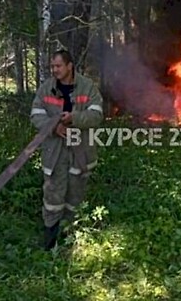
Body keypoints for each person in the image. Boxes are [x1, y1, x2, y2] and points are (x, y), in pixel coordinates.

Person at [29, 49, 104, 250]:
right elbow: (36, 114)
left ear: (69, 66)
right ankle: (50, 244)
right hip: (55, 154)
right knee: (53, 196)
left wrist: (74, 118)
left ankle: (70, 241)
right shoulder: (46, 89)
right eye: (52, 66)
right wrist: (54, 126)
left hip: (80, 154)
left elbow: (96, 115)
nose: (54, 70)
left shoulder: (87, 88)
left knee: (76, 196)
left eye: (58, 66)